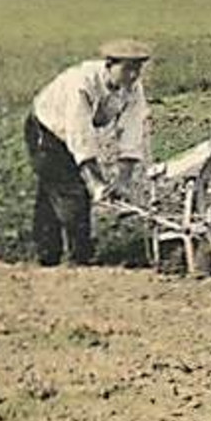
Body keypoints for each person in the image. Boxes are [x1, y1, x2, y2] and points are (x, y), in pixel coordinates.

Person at [24, 39, 153, 266]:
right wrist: (97, 184)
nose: (133, 75)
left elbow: (133, 131)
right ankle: (81, 257)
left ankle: (45, 256)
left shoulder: (133, 88)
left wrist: (123, 179)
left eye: (138, 69)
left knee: (52, 191)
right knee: (73, 193)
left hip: (71, 132)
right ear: (110, 65)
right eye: (127, 69)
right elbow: (80, 135)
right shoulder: (82, 83)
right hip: (45, 130)